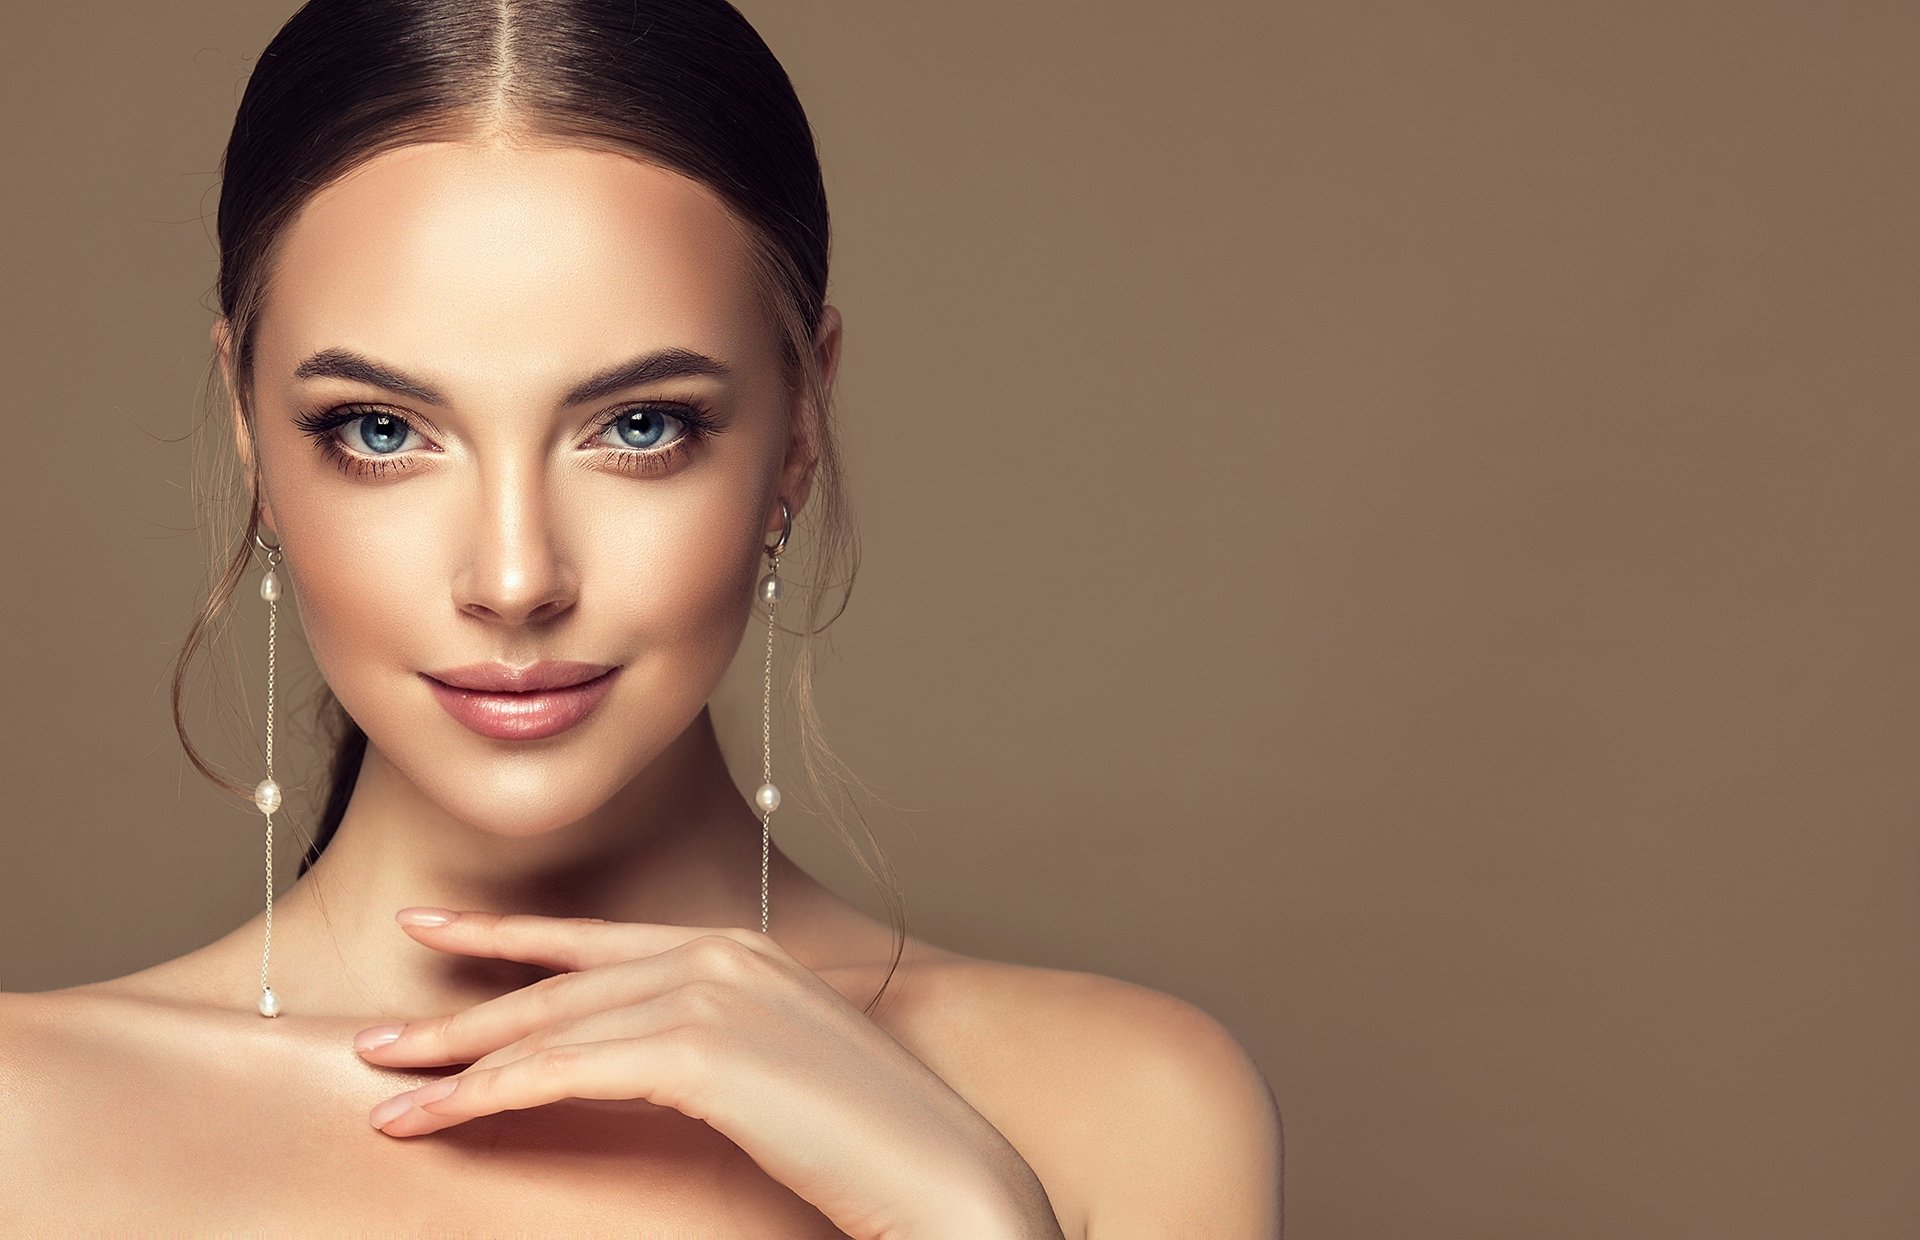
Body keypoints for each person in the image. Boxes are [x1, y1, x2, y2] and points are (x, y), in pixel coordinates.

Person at [0, 1, 1283, 1234]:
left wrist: (972, 1218)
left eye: (640, 427)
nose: (514, 576)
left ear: (799, 428)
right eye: (382, 431)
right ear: (249, 429)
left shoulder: (1129, 1108)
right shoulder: (26, 1125)